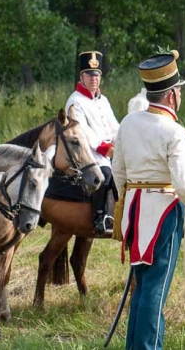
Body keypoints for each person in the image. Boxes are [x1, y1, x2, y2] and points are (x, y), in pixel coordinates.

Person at [112, 50, 185, 350]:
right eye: (178, 90)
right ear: (170, 96)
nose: (180, 94)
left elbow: (118, 171)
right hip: (163, 212)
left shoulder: (128, 123)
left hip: (134, 209)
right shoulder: (175, 131)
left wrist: (126, 201)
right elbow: (183, 182)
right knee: (155, 289)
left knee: (142, 285)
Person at [65, 51, 120, 237]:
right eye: (89, 74)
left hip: (109, 150)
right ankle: (100, 218)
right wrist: (105, 149)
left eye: (96, 75)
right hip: (88, 153)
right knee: (104, 175)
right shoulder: (75, 102)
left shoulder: (103, 100)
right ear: (81, 77)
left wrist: (122, 141)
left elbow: (114, 127)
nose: (93, 78)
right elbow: (82, 132)